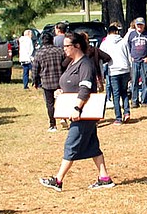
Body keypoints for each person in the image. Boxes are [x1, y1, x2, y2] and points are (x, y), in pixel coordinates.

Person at [39, 31, 115, 191]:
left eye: (67, 46)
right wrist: (61, 92)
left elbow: (85, 88)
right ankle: (105, 178)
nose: (64, 49)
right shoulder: (72, 63)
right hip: (78, 112)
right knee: (93, 146)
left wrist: (76, 108)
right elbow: (70, 84)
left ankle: (58, 180)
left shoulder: (85, 64)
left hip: (83, 114)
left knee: (71, 145)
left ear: (77, 46)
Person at [99, 22, 132, 124]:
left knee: (116, 95)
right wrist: (131, 70)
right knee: (124, 92)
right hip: (125, 69)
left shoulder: (104, 43)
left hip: (113, 70)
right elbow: (129, 56)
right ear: (117, 32)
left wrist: (101, 73)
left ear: (108, 33)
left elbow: (101, 58)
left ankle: (118, 118)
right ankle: (126, 112)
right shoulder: (123, 41)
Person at [32, 32, 64, 131]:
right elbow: (65, 65)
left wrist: (35, 81)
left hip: (47, 82)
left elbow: (35, 69)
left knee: (50, 104)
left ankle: (52, 124)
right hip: (60, 80)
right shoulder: (60, 51)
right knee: (62, 101)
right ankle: (64, 118)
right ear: (52, 40)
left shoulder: (39, 53)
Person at [127, 17, 147, 107]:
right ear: (135, 25)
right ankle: (134, 101)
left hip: (145, 61)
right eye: (138, 25)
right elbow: (128, 46)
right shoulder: (132, 34)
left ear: (144, 25)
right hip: (135, 62)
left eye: (141, 25)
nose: (139, 26)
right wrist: (131, 56)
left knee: (145, 81)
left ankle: (144, 101)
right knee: (134, 82)